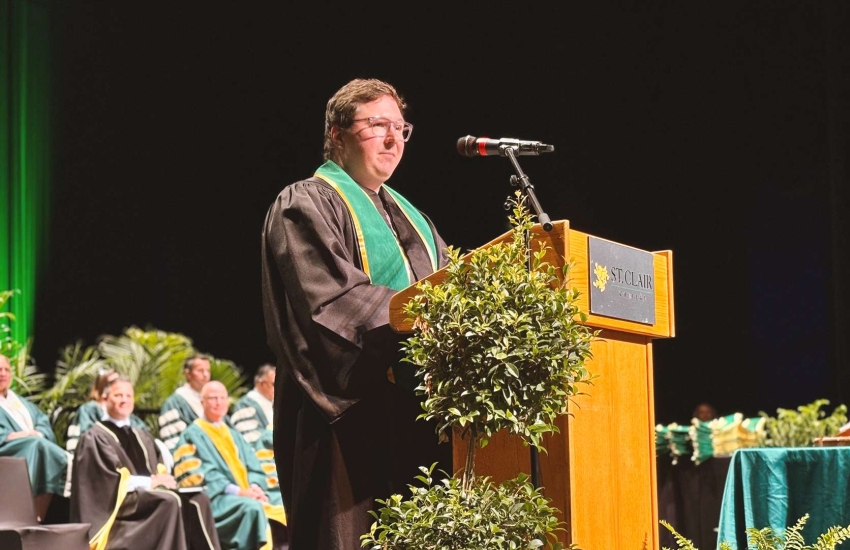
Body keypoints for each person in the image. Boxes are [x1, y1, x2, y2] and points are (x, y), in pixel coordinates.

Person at [260, 77, 451, 549]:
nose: (392, 139)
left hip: (416, 413)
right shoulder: (304, 203)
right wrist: (420, 320)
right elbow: (329, 303)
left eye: (401, 129)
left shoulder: (414, 219)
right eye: (378, 125)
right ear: (337, 134)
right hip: (342, 417)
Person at [71, 376, 221, 550]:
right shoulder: (95, 437)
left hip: (147, 494)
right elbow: (106, 482)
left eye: (128, 396)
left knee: (199, 499)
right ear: (105, 399)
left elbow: (158, 467)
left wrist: (163, 479)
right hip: (121, 503)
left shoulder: (141, 435)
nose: (124, 400)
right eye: (118, 395)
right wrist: (150, 482)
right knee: (169, 500)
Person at [173, 381, 286, 550]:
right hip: (217, 498)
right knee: (251, 508)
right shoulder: (192, 434)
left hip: (246, 494)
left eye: (222, 398)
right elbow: (203, 473)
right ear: (202, 402)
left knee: (286, 504)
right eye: (213, 398)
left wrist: (255, 487)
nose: (218, 402)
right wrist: (239, 491)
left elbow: (254, 465)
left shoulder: (233, 434)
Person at [0, 353, 71, 521]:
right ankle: (23, 514)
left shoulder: (20, 403)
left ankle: (37, 517)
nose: (3, 374)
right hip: (9, 451)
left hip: (33, 447)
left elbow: (42, 422)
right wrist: (19, 435)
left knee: (41, 448)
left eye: (6, 370)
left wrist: (38, 433)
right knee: (37, 446)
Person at [66, 368, 148, 453]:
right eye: (113, 383)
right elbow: (86, 439)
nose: (124, 399)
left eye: (128, 396)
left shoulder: (128, 417)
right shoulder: (90, 410)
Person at [159, 354, 211, 450]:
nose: (205, 374)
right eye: (200, 370)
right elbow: (172, 443)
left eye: (208, 370)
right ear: (188, 374)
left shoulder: (214, 400)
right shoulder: (174, 403)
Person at [231, 364, 275, 447]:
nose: (278, 388)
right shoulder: (245, 405)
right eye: (273, 384)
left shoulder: (276, 403)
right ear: (261, 383)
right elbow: (251, 439)